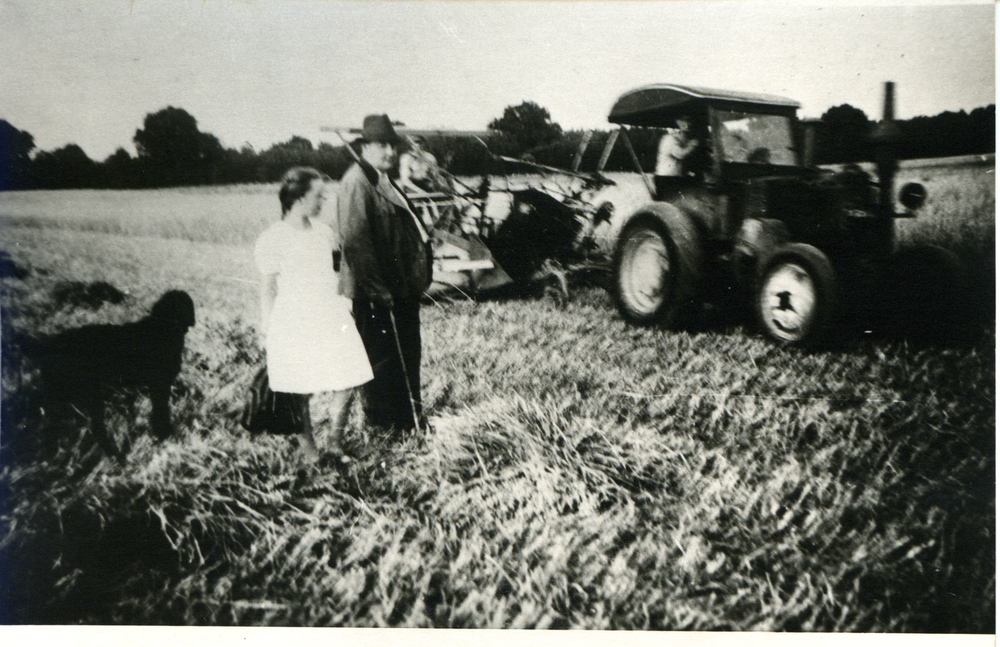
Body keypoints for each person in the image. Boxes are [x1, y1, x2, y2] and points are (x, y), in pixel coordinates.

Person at [255, 166, 373, 463]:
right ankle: (310, 452)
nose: (323, 201)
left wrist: (344, 304)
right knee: (298, 387)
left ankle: (335, 443)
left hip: (329, 312)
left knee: (349, 375)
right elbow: (267, 288)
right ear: (298, 198)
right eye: (318, 195)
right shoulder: (273, 238)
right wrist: (267, 329)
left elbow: (331, 272)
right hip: (294, 318)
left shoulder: (323, 232)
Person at [337, 115, 433, 433]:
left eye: (393, 144)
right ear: (365, 146)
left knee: (404, 356)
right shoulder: (356, 183)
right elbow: (355, 243)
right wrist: (379, 292)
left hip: (398, 290)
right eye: (382, 145)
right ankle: (384, 427)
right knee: (381, 362)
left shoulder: (382, 178)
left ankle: (407, 421)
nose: (390, 151)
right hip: (375, 294)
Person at [654, 114, 702, 197]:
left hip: (676, 177)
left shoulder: (684, 141)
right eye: (684, 121)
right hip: (666, 178)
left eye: (689, 121)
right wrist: (693, 144)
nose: (687, 124)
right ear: (678, 123)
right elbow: (680, 154)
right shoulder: (669, 139)